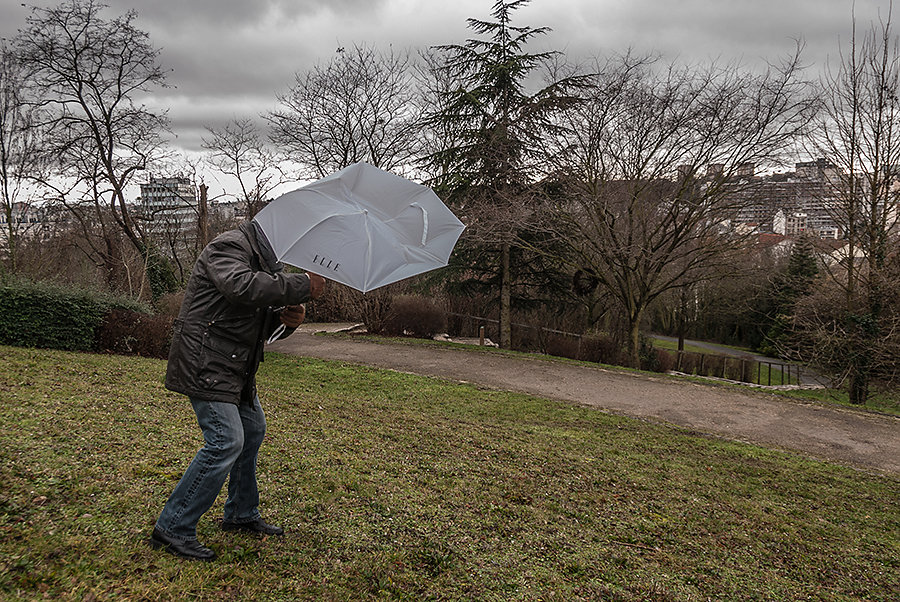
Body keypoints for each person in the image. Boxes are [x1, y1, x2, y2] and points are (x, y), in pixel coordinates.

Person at [150, 220, 326, 561]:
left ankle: (241, 513)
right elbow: (241, 288)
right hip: (206, 360)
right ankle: (172, 528)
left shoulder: (267, 262)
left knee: (253, 429)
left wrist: (287, 320)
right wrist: (301, 285)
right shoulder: (228, 247)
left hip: (234, 366)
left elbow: (257, 320)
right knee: (226, 441)